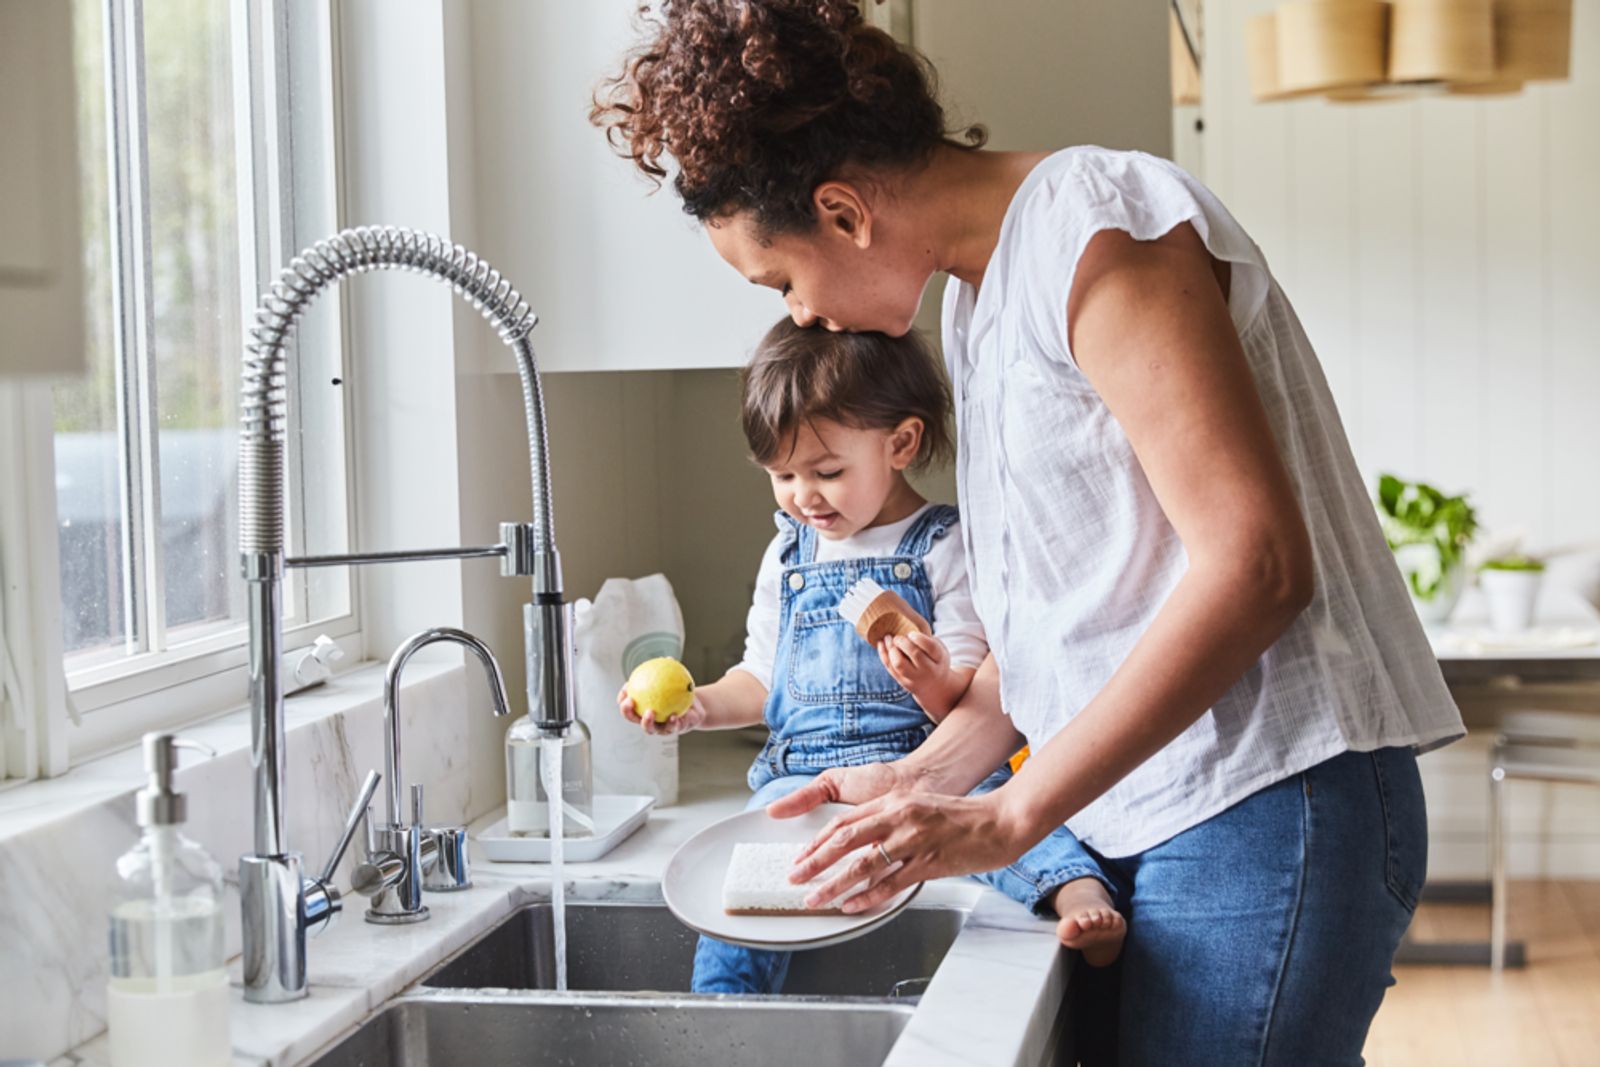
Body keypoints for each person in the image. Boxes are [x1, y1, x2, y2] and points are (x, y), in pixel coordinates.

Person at [593, 2, 1465, 1061]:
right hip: (1143, 804)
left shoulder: (1094, 222)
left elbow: (1257, 564)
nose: (803, 318)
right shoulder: (977, 298)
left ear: (843, 211)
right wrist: (929, 777)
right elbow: (1061, 631)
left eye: (783, 280)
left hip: (1264, 799)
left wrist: (1010, 817)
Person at [618, 318, 1124, 995]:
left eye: (827, 472)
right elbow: (759, 676)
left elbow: (973, 700)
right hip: (802, 781)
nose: (804, 496)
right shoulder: (789, 554)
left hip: (931, 770)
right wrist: (699, 707)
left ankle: (1078, 891)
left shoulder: (945, 546)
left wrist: (931, 678)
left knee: (1002, 811)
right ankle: (726, 1006)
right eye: (783, 475)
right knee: (742, 885)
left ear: (901, 443)